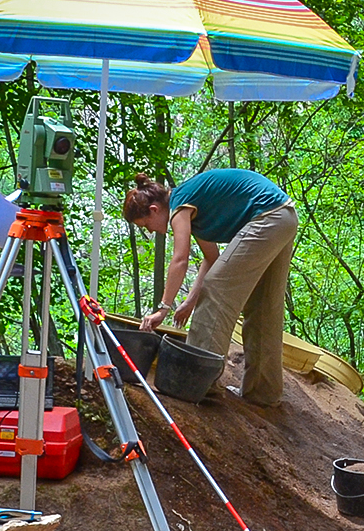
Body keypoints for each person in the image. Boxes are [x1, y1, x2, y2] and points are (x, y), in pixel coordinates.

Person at [122, 168, 298, 405]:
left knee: (216, 289)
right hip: (284, 216)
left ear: (154, 209)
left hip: (267, 217)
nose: (151, 231)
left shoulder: (179, 205)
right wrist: (189, 302)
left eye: (146, 225)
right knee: (264, 307)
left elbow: (180, 260)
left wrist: (162, 309)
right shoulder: (193, 207)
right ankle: (263, 393)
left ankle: (198, 383)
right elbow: (211, 258)